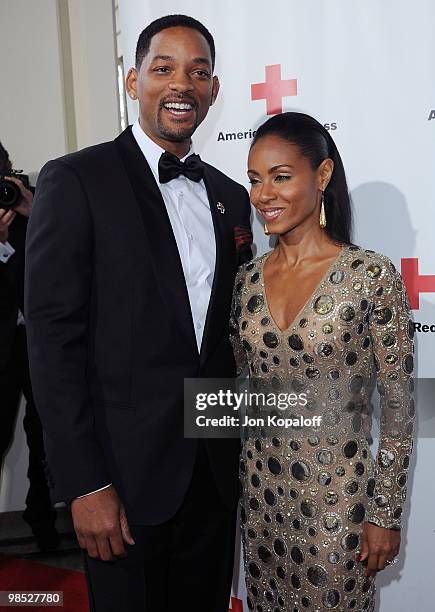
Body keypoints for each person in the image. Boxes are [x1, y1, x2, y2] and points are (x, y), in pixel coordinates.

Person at [25, 14, 252, 612]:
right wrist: (85, 483)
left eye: (198, 72)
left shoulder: (231, 196)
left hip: (212, 474)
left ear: (215, 90)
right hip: (120, 483)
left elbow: (220, 344)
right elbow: (52, 345)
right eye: (163, 69)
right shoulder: (77, 179)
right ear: (133, 81)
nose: (183, 84)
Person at [230, 112, 414, 611]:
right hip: (262, 504)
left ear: (323, 176)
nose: (264, 193)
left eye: (281, 176)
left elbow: (398, 408)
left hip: (339, 507)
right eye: (255, 179)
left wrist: (386, 513)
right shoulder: (246, 280)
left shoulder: (370, 276)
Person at [0, 142, 58, 551]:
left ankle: (44, 520)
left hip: (40, 342)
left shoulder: (32, 202)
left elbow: (64, 254)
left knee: (45, 433)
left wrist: (31, 209)